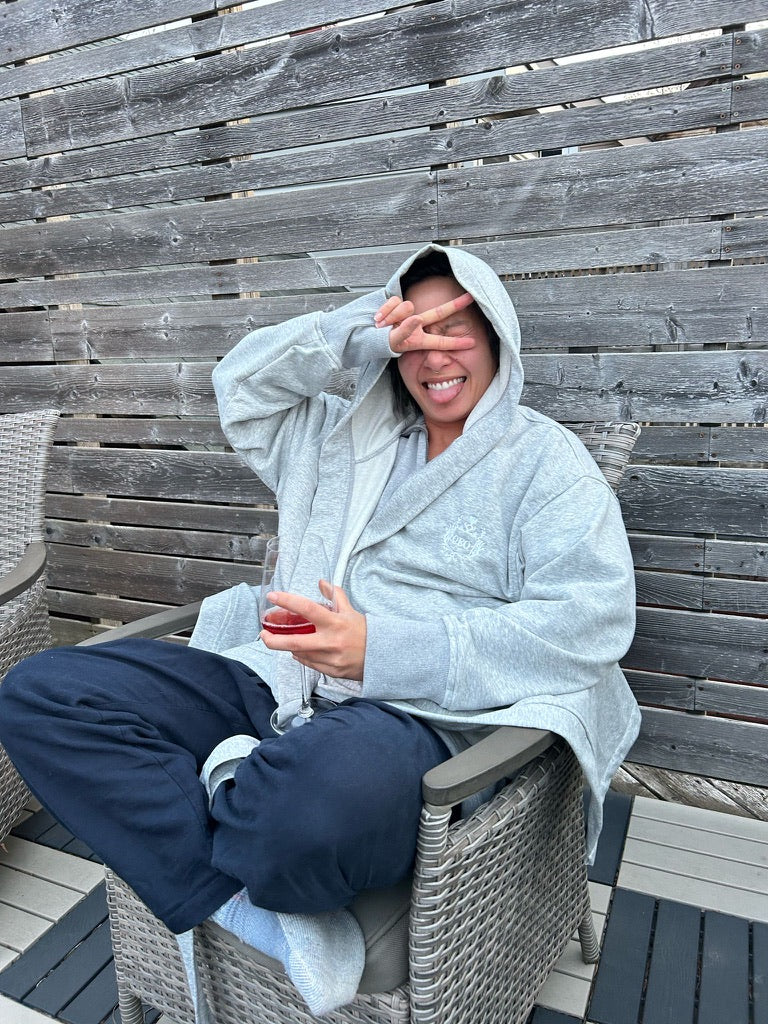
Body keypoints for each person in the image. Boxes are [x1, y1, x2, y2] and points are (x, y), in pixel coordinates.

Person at [0, 244, 640, 1016]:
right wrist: (356, 331)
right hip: (278, 679)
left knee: (297, 819)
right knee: (38, 693)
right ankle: (240, 898)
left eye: (457, 328)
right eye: (414, 330)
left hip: (412, 718)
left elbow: (590, 621)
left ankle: (236, 794)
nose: (435, 353)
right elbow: (240, 384)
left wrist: (382, 651)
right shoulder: (335, 436)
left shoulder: (545, 465)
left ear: (499, 337)